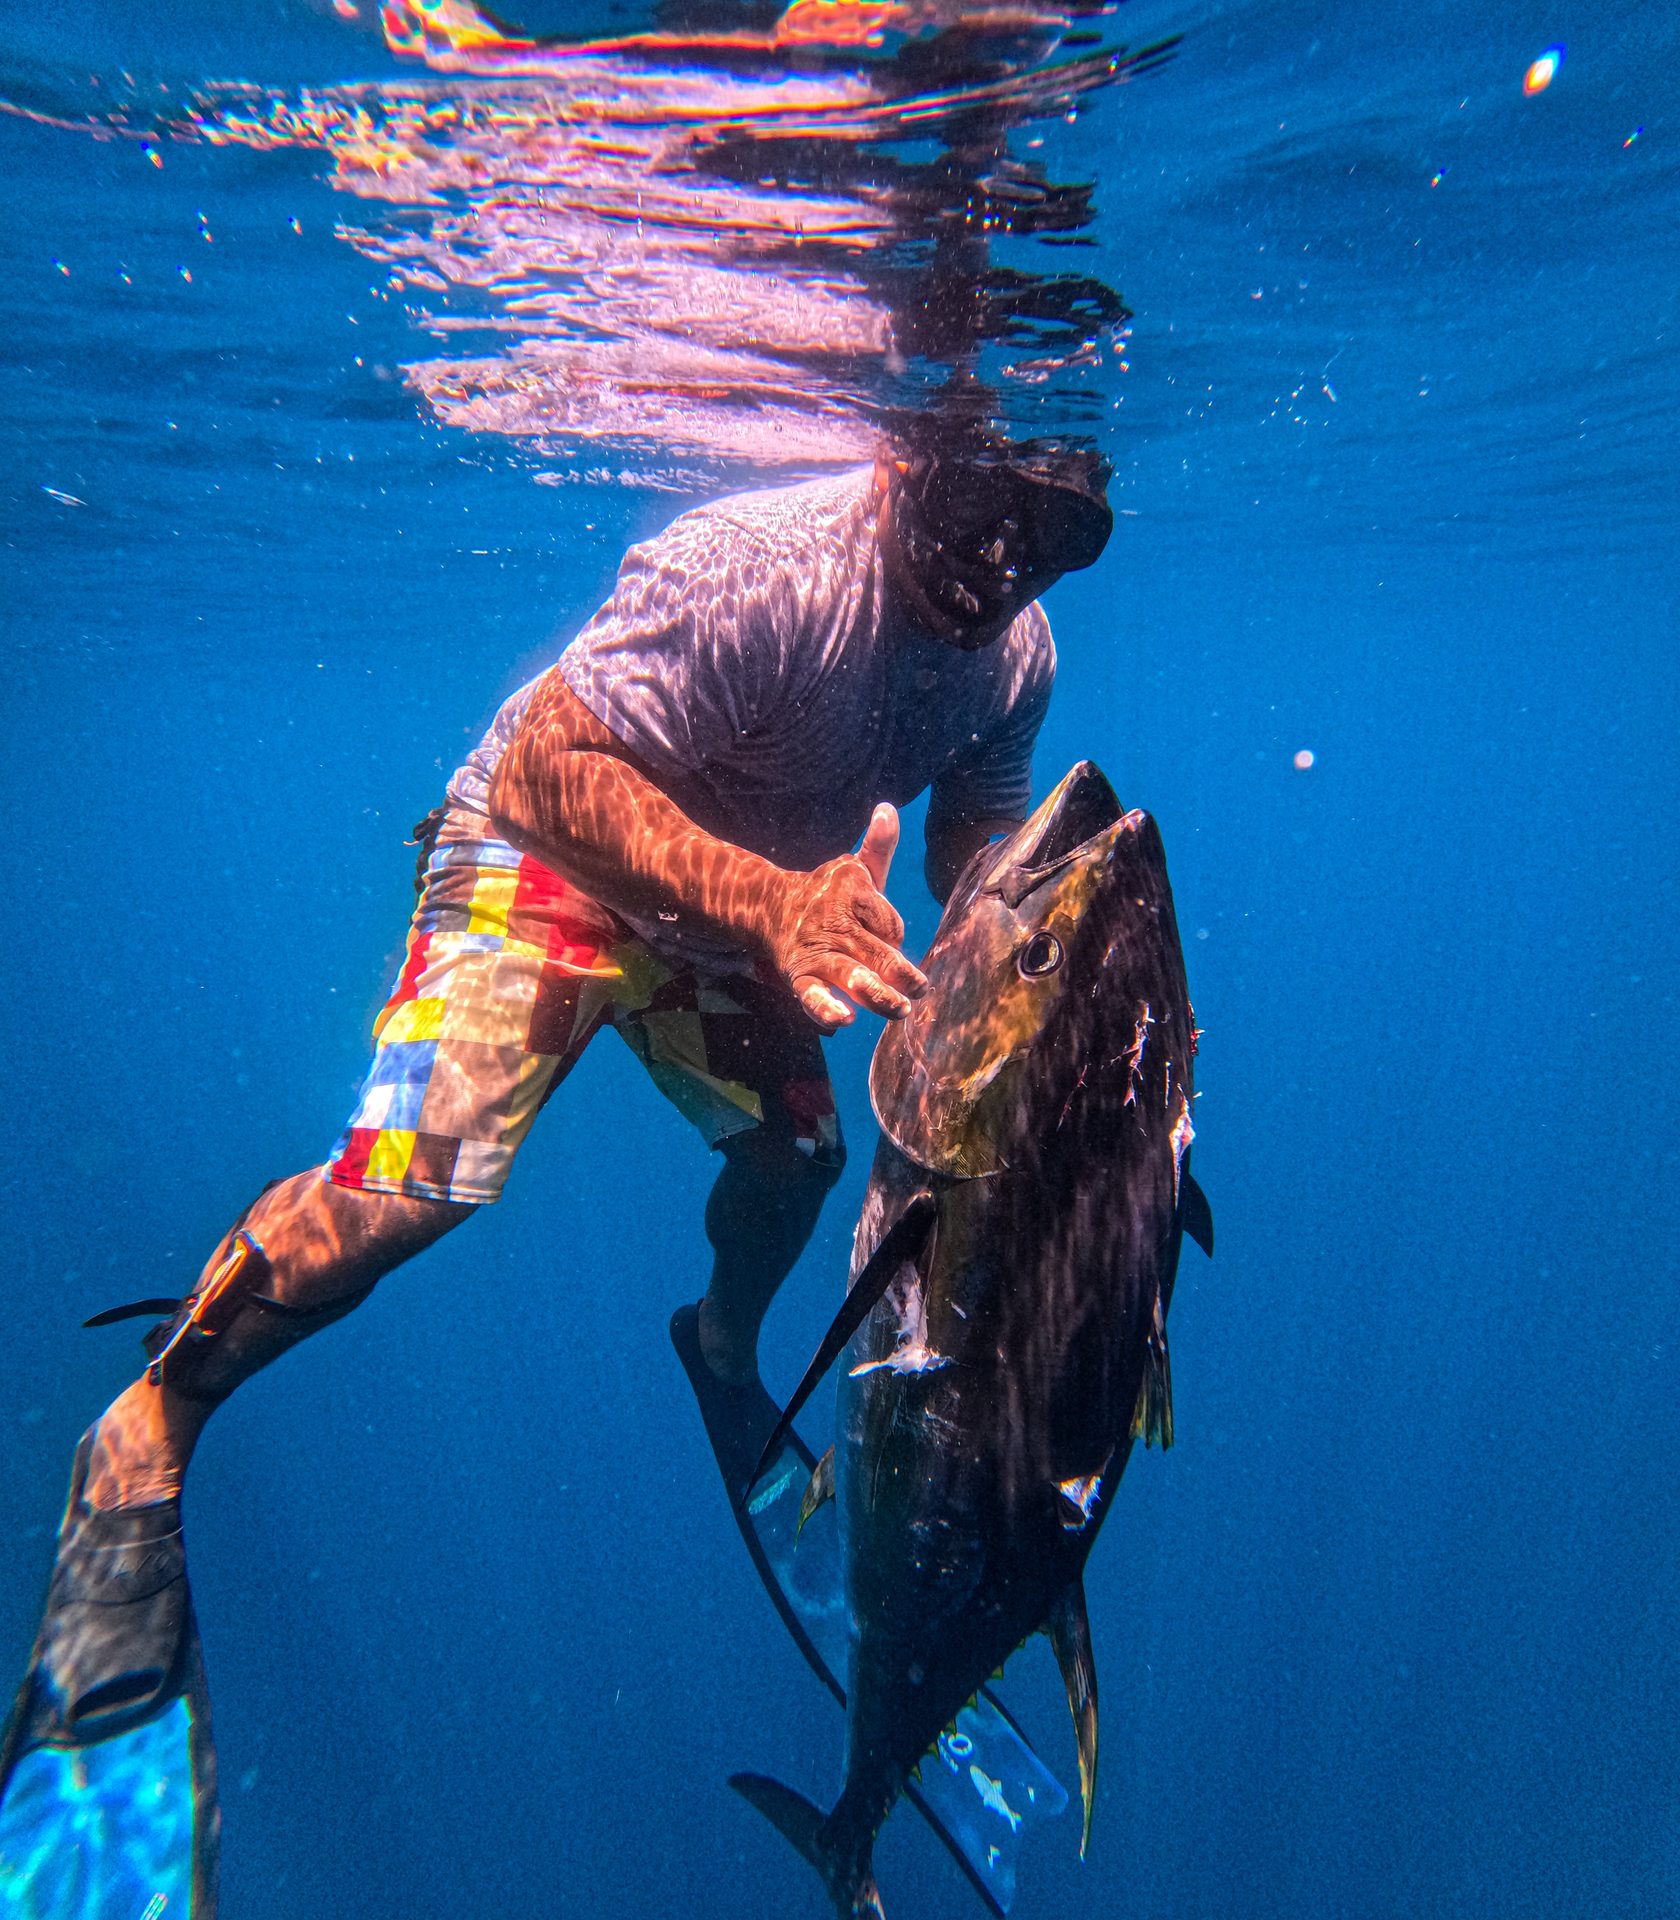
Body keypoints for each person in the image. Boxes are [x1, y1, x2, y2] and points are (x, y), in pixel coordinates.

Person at [4, 435, 1112, 1756]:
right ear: (903, 458)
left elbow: (970, 830)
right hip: (544, 861)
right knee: (413, 1189)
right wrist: (773, 902)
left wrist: (1049, 982)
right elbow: (542, 771)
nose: (1008, 562)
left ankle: (719, 1345)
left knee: (801, 1162)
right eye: (992, 507)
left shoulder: (1018, 658)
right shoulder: (760, 570)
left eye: (1060, 537)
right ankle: (152, 1425)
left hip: (736, 920)